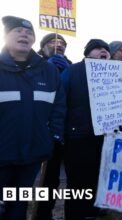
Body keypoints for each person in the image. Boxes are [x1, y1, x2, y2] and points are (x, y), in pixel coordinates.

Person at [0, 16, 66, 220]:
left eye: (29, 33)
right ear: (5, 36)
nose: (24, 34)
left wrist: (52, 136)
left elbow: (59, 107)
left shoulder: (49, 71)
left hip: (34, 153)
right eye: (17, 31)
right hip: (1, 154)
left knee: (20, 202)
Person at [61, 39, 110, 219]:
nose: (104, 51)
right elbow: (60, 100)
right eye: (98, 48)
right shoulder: (72, 71)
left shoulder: (114, 73)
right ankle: (74, 215)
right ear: (88, 53)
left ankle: (91, 213)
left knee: (97, 177)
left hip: (104, 137)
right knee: (77, 181)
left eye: (106, 49)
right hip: (78, 136)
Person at [35, 33, 72, 220]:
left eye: (63, 43)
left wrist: (68, 73)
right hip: (35, 131)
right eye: (53, 42)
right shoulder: (32, 63)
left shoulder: (70, 65)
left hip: (60, 131)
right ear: (43, 47)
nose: (59, 45)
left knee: (51, 178)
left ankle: (44, 214)